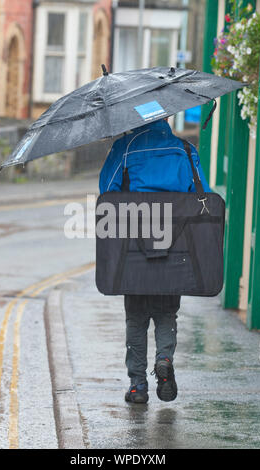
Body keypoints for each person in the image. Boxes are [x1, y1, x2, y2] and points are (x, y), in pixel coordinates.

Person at [99, 118, 211, 404]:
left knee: (135, 317)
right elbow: (203, 195)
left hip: (133, 245)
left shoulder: (125, 148)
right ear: (166, 119)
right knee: (166, 313)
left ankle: (138, 386)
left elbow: (107, 194)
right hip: (175, 244)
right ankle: (164, 359)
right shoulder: (185, 150)